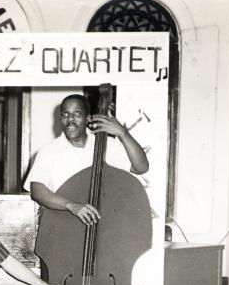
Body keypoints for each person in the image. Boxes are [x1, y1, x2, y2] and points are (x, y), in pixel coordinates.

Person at [23, 93, 149, 224]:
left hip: (104, 226)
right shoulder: (49, 151)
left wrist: (123, 133)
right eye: (65, 114)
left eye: (77, 113)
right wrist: (71, 206)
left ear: (87, 118)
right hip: (62, 228)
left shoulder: (107, 145)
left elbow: (141, 167)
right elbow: (37, 190)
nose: (70, 119)